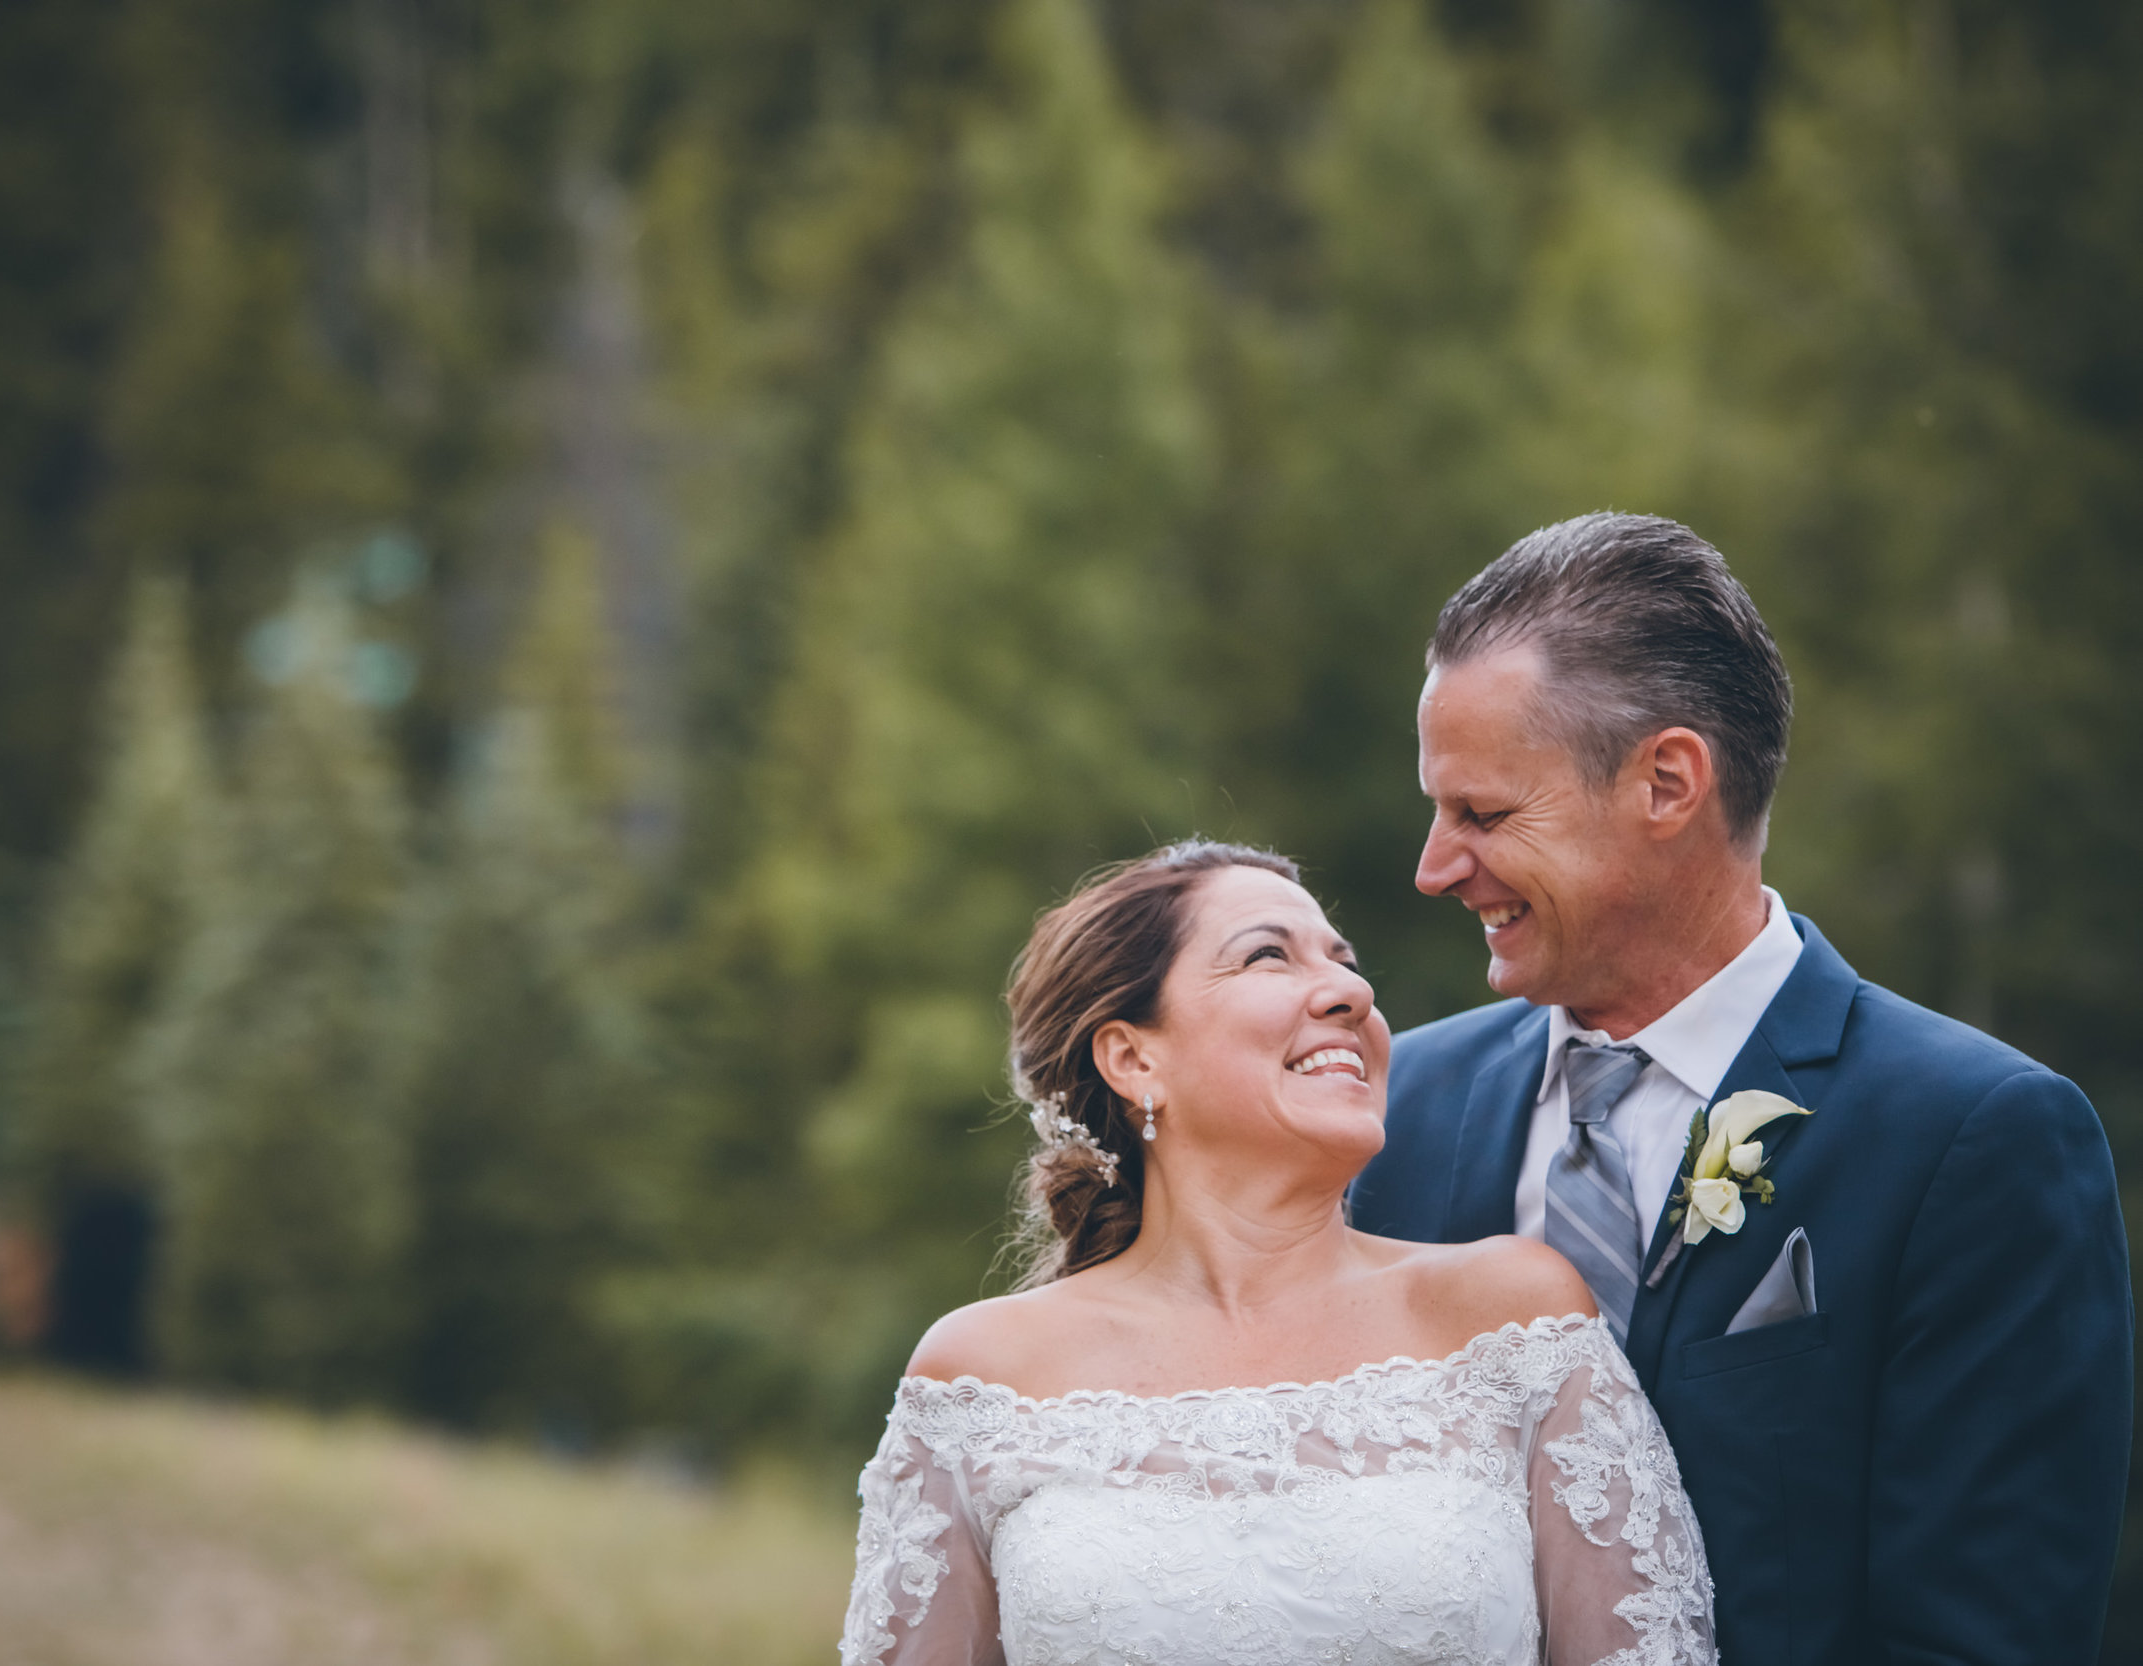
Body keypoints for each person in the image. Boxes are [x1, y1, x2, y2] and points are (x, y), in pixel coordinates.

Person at [1351, 513, 2132, 1665]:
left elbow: (1982, 1635)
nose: (1433, 866)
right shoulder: (1390, 1110)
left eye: (1485, 813)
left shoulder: (1977, 1137)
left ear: (1666, 781)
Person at [840, 839, 1717, 1666]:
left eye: (1345, 961)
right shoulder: (982, 1377)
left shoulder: (1511, 1318)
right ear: (1132, 1058)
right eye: (1269, 956)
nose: (1350, 994)